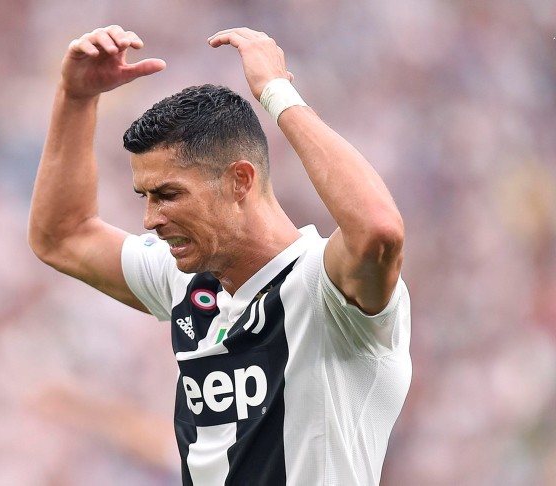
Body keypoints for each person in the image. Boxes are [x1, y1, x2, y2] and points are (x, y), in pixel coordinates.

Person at [28, 25, 411, 486]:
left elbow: (379, 230)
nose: (150, 219)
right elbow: (61, 235)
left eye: (168, 194)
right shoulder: (187, 278)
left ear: (240, 181)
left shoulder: (324, 288)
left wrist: (276, 92)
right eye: (144, 197)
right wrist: (75, 99)